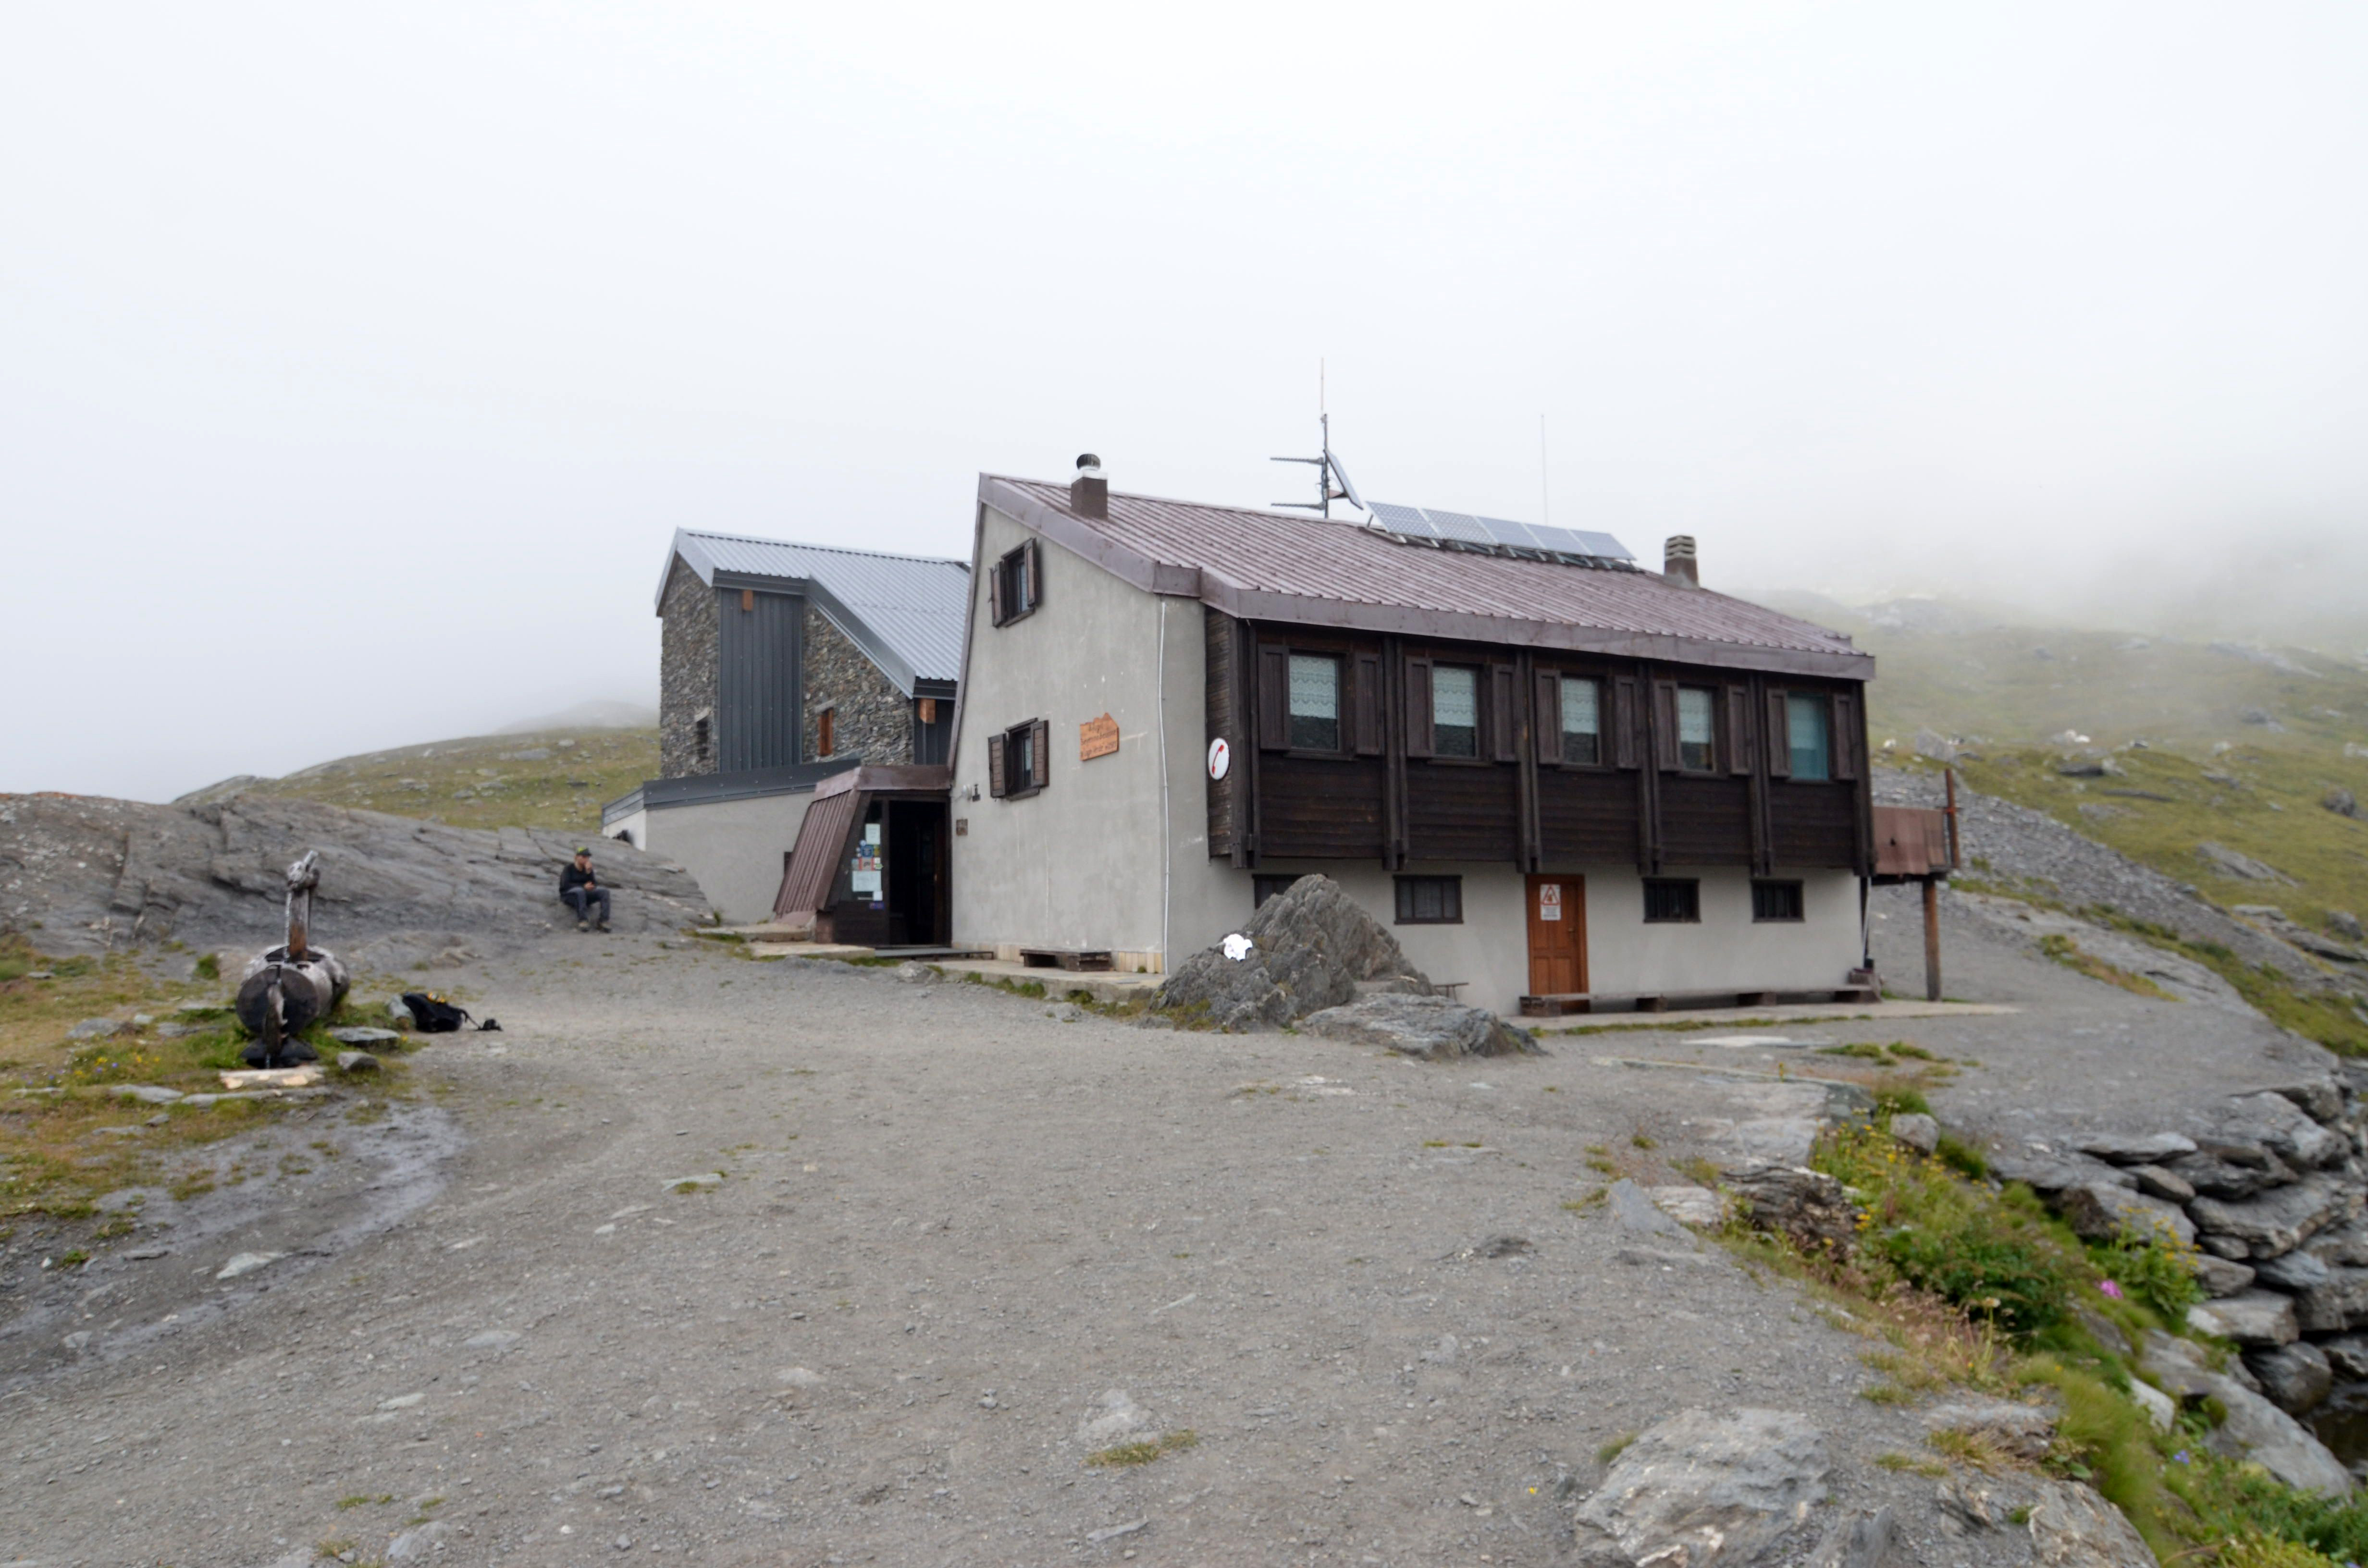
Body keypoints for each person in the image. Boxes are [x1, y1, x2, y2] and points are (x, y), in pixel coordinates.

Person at [559, 847, 611, 932]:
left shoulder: (588, 870)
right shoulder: (568, 869)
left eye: (587, 857)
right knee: (580, 891)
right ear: (576, 857)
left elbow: (594, 885)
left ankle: (603, 921)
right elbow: (565, 885)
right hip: (569, 896)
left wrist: (589, 873)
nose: (586, 859)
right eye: (583, 857)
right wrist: (583, 886)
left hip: (585, 896)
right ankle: (583, 920)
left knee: (604, 891)